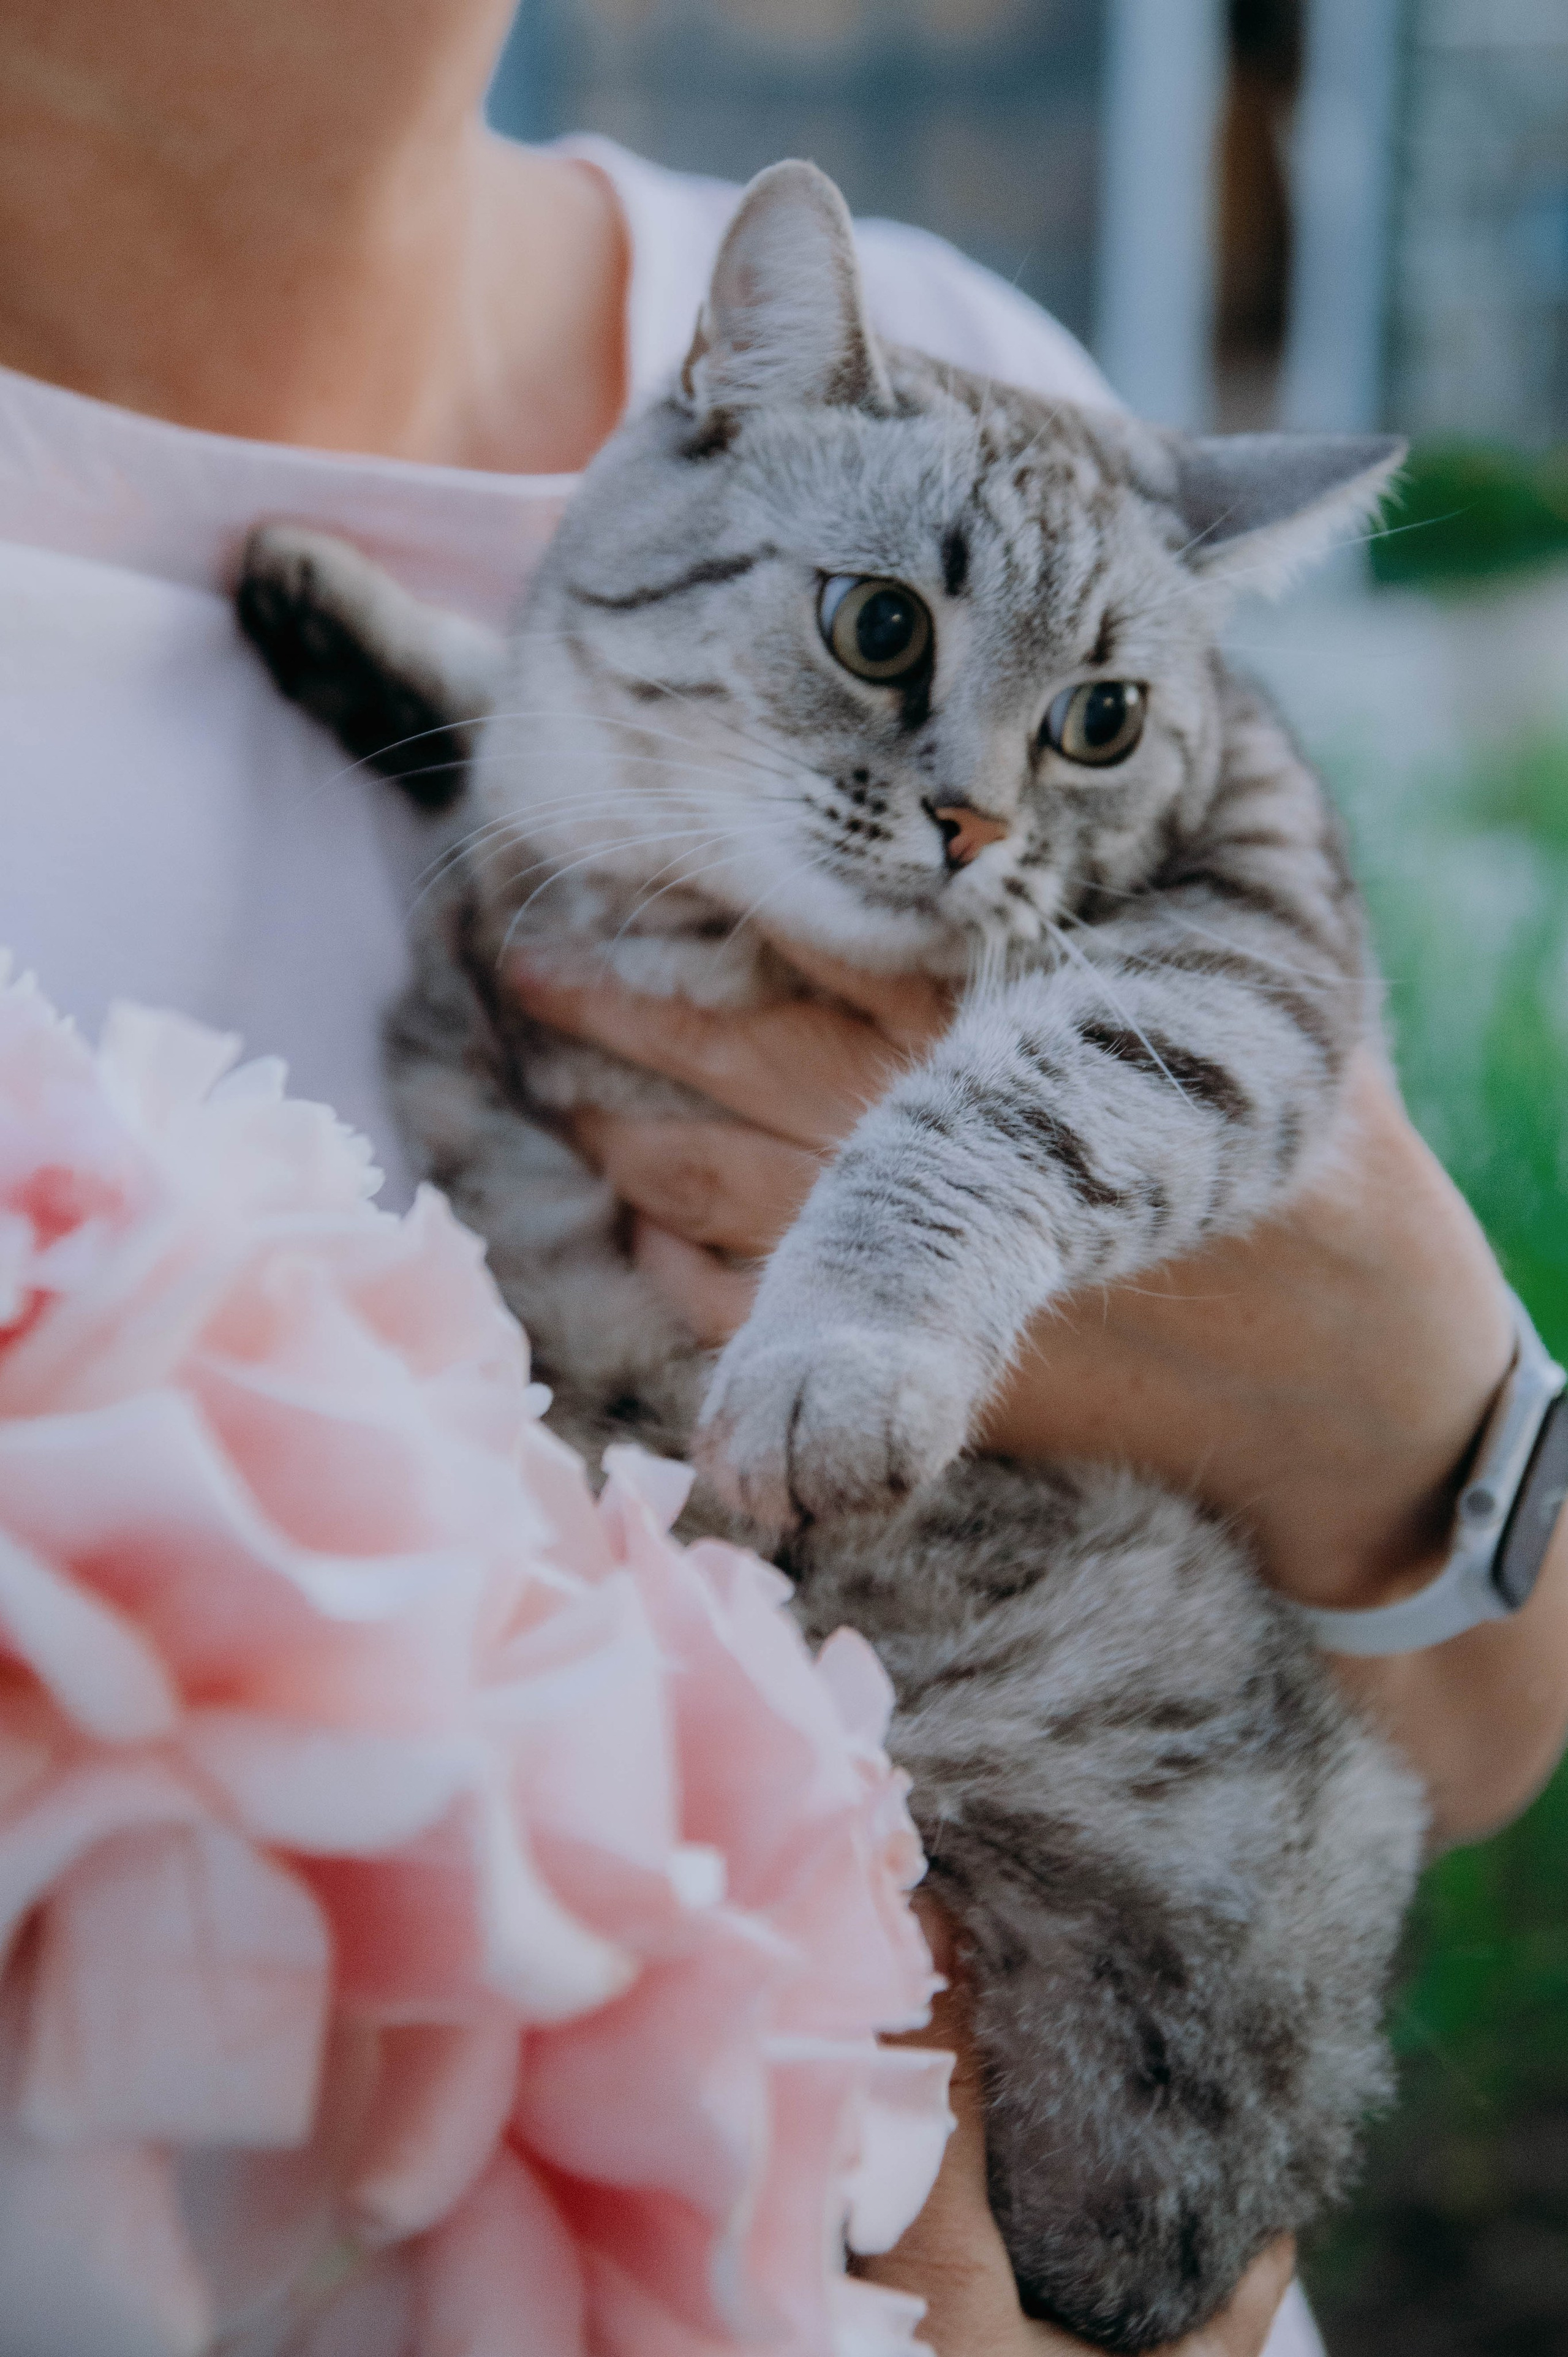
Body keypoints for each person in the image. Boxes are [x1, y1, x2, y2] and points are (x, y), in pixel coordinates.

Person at [1, 5, 1565, 2351]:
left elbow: (1491, 1727)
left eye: (1084, 730)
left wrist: (1407, 1365)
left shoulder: (959, 359)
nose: (975, 812)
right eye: (880, 647)